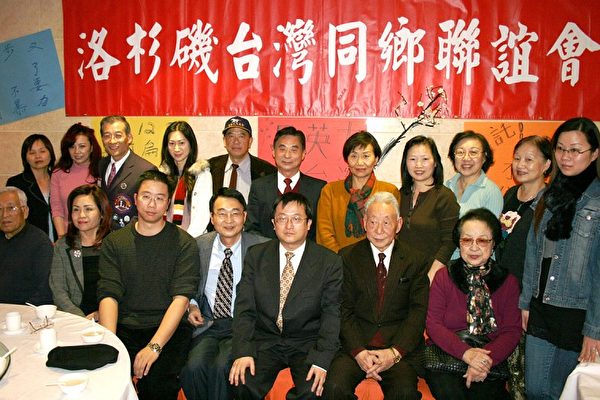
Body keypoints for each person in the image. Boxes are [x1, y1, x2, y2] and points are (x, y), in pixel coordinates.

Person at [97, 170, 200, 400]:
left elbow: (181, 299)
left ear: (168, 203)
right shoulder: (115, 242)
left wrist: (154, 347)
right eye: (146, 196)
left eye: (159, 198)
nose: (152, 204)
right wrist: (111, 343)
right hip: (124, 326)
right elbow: (109, 294)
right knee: (106, 378)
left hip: (169, 329)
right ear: (135, 199)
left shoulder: (184, 243)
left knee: (156, 386)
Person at [229, 192, 343, 399]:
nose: (289, 225)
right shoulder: (256, 255)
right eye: (282, 219)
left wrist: (322, 360)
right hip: (265, 341)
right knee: (241, 381)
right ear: (274, 223)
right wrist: (243, 350)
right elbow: (244, 308)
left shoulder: (329, 262)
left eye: (296, 219)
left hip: (306, 343)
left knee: (313, 391)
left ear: (309, 224)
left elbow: (332, 315)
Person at [519, 117, 600, 399]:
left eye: (575, 150)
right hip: (542, 307)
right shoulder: (549, 195)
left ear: (594, 153)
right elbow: (533, 251)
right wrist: (526, 302)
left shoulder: (596, 201)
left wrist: (594, 329)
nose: (566, 157)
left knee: (563, 391)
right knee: (535, 389)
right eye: (561, 149)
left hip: (578, 313)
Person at [323, 192, 429, 400]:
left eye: (386, 222)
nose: (379, 230)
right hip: (356, 345)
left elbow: (418, 312)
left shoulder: (415, 260)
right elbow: (342, 309)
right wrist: (359, 352)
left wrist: (394, 353)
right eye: (373, 222)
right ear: (364, 223)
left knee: (404, 393)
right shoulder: (347, 257)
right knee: (334, 388)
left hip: (396, 348)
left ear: (398, 224)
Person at [180, 187, 268, 400]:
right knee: (193, 368)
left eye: (235, 213)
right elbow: (188, 282)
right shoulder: (198, 245)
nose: (229, 220)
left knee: (222, 368)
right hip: (208, 324)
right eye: (222, 213)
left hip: (243, 325)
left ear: (244, 216)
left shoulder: (262, 247)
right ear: (212, 218)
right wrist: (192, 305)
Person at [425, 208, 521, 399]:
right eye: (467, 240)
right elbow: (433, 324)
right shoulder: (444, 276)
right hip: (447, 353)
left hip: (489, 356)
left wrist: (483, 361)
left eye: (482, 240)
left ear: (493, 244)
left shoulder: (508, 281)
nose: (474, 247)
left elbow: (512, 330)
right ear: (459, 243)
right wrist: (467, 354)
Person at [317, 131, 400, 253]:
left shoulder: (390, 191)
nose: (360, 162)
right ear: (347, 159)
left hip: (378, 260)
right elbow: (324, 233)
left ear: (376, 159)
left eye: (366, 156)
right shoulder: (330, 191)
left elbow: (393, 231)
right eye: (354, 156)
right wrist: (341, 260)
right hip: (338, 260)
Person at [246, 126, 325, 240]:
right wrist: (271, 248)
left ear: (303, 154)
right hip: (267, 250)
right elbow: (252, 229)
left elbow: (321, 232)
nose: (287, 155)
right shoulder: (259, 187)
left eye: (294, 150)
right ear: (273, 152)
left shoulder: (319, 188)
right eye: (282, 149)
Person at [398, 135, 460, 282]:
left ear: (435, 162)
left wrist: (430, 277)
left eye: (425, 159)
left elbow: (450, 241)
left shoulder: (444, 196)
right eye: (413, 159)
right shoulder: (401, 194)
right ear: (405, 163)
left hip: (431, 276)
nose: (418, 165)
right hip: (404, 275)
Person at [49, 184, 112, 319]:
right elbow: (58, 291)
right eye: (76, 210)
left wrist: (101, 314)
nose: (81, 215)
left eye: (88, 209)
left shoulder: (115, 243)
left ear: (102, 213)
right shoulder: (62, 246)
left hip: (111, 316)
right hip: (74, 319)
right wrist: (80, 319)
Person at [497, 135, 552, 284]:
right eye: (517, 158)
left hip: (528, 284)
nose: (520, 165)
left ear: (546, 164)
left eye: (529, 159)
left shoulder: (550, 202)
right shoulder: (510, 193)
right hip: (502, 281)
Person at [98, 115, 156, 230]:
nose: (112, 141)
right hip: (103, 234)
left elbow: (150, 211)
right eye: (107, 136)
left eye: (118, 135)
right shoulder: (101, 164)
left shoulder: (146, 170)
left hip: (131, 235)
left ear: (129, 138)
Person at [0, 187, 53, 305]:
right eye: (0, 209)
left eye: (11, 208)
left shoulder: (40, 243)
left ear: (24, 211)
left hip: (25, 310)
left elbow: (44, 290)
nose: (4, 215)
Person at [158, 121, 212, 236]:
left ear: (191, 144)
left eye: (181, 143)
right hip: (163, 239)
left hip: (192, 239)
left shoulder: (201, 174)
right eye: (171, 144)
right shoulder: (162, 175)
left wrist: (186, 242)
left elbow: (202, 216)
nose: (176, 149)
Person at [208, 116, 276, 202]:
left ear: (250, 141)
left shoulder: (268, 172)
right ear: (224, 141)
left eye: (241, 136)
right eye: (231, 136)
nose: (236, 141)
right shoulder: (209, 168)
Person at [51, 123, 101, 238]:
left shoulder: (101, 170)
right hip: (68, 235)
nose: (76, 151)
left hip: (97, 236)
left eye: (82, 146)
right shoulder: (58, 173)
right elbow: (56, 207)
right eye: (72, 147)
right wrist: (61, 237)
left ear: (91, 147)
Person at [7, 134, 57, 240]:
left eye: (42, 151)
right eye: (32, 153)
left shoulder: (59, 179)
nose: (38, 156)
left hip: (60, 241)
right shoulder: (16, 183)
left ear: (51, 154)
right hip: (29, 241)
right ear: (25, 157)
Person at [445, 130, 503, 218]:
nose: (466, 158)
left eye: (473, 152)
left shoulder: (491, 192)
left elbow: (490, 226)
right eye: (460, 152)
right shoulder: (445, 186)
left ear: (484, 157)